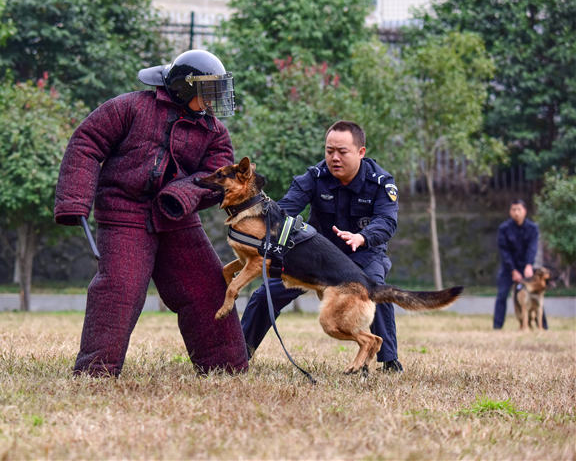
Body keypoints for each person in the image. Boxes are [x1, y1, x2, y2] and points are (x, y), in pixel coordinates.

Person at [54, 49, 249, 377]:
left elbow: (219, 175)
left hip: (177, 218)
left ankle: (226, 369)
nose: (214, 103)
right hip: (122, 212)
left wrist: (181, 195)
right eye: (208, 94)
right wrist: (74, 201)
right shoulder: (130, 107)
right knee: (120, 289)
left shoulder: (215, 133)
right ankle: (96, 373)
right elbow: (86, 143)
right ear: (186, 89)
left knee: (207, 288)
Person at [240, 120, 404, 372]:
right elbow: (285, 210)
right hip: (316, 256)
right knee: (265, 294)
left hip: (362, 253)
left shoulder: (380, 182)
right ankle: (240, 353)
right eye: (329, 151)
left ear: (361, 152)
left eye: (342, 152)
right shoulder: (314, 177)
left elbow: (387, 221)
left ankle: (389, 360)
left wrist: (362, 237)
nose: (334, 158)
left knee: (374, 287)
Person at [493, 199, 546, 329]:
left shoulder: (532, 228)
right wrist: (512, 270)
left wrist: (529, 265)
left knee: (536, 295)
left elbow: (532, 248)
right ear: (510, 211)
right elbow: (504, 251)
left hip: (527, 267)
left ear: (525, 211)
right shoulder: (504, 229)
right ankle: (497, 327)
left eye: (519, 209)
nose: (516, 212)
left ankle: (543, 326)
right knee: (502, 295)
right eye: (513, 210)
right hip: (508, 268)